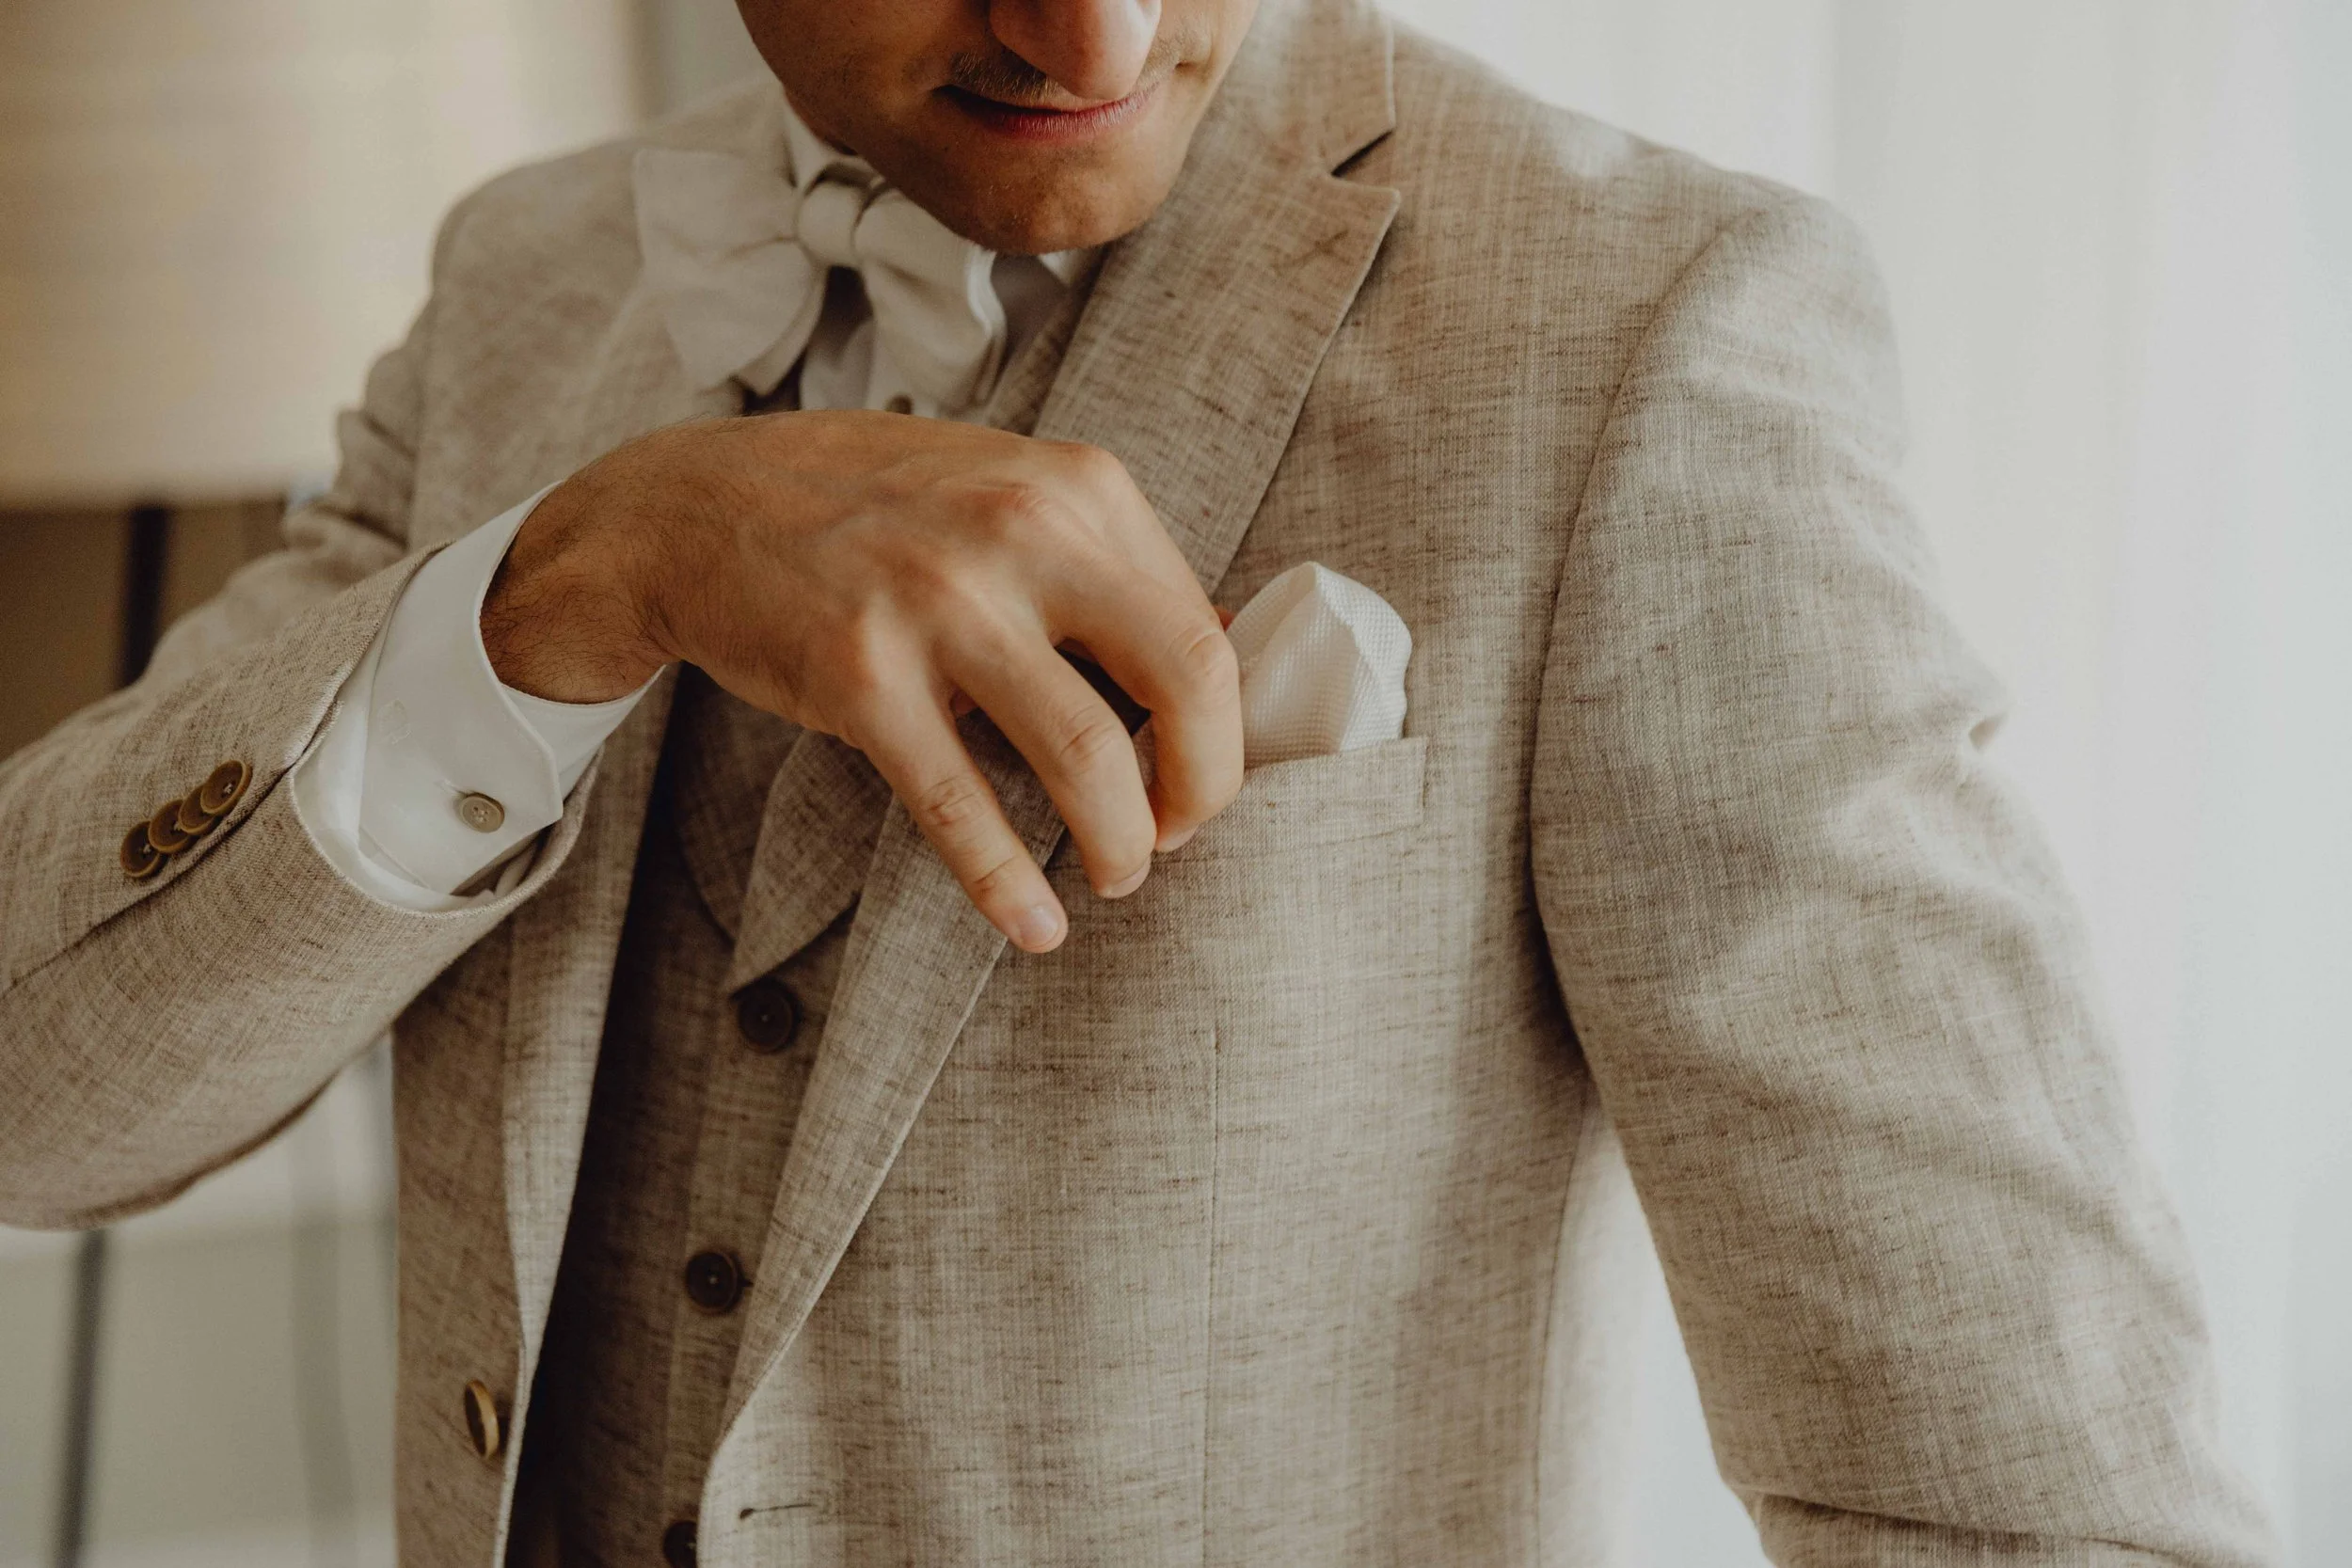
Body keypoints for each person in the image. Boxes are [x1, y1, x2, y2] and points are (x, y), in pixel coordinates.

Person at [0, 0, 2275, 1563]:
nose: (1089, 37)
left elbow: (2029, 1471)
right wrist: (575, 578)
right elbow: (39, 1082)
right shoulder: (525, 283)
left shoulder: (1642, 327)